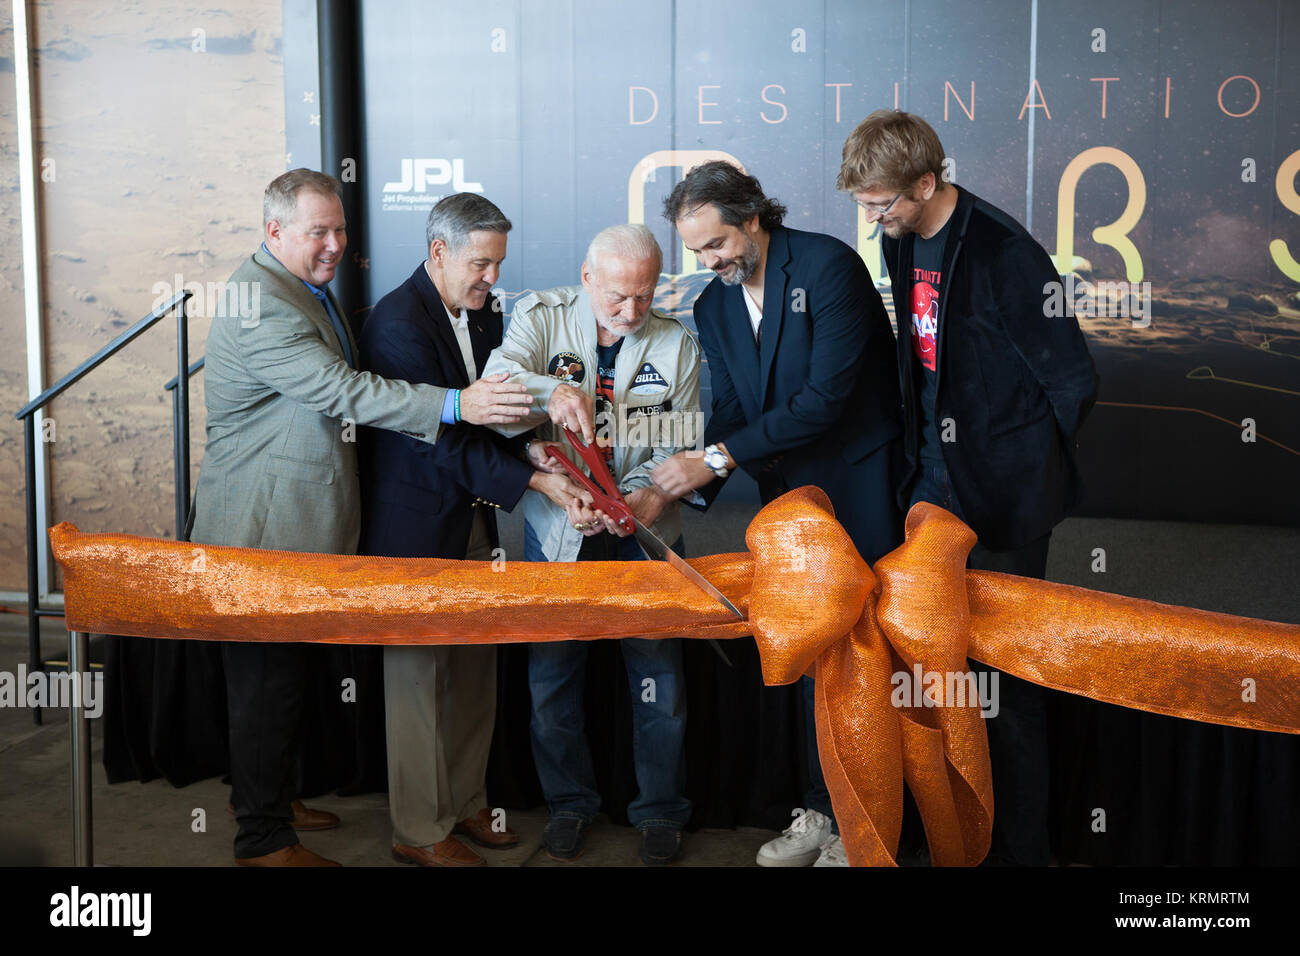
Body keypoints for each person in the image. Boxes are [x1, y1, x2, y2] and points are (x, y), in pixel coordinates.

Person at [189, 169, 533, 866]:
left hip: (303, 526)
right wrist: (455, 405)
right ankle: (261, 842)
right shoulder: (259, 300)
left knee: (285, 681)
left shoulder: (300, 290)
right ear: (274, 231)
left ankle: (269, 800)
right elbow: (336, 388)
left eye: (340, 228)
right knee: (264, 684)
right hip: (261, 527)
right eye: (319, 231)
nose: (335, 244)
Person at [837, 109, 1100, 865]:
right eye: (863, 204)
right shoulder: (903, 236)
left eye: (880, 201)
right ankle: (951, 835)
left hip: (1007, 500)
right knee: (935, 669)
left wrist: (1014, 463)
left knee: (1007, 684)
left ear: (928, 181)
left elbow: (1072, 381)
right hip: (929, 484)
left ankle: (1025, 849)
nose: (872, 218)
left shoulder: (1004, 251)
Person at [656, 160, 904, 868]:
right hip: (788, 507)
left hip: (859, 494)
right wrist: (687, 481)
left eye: (716, 245)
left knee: (863, 656)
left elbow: (826, 400)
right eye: (698, 251)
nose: (708, 262)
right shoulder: (713, 305)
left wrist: (716, 458)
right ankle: (822, 813)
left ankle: (871, 830)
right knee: (809, 655)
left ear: (753, 218)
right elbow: (734, 411)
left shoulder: (828, 268)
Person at [356, 193, 588, 867]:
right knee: (419, 681)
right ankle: (419, 831)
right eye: (481, 264)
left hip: (473, 519)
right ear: (439, 252)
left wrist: (532, 451)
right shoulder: (398, 323)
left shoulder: (483, 317)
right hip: (415, 526)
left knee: (472, 671)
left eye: (497, 264)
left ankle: (464, 805)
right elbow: (439, 440)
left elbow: (495, 414)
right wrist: (538, 483)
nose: (492, 278)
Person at [482, 224, 701, 866]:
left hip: (646, 533)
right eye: (616, 298)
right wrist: (552, 394)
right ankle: (569, 806)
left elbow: (679, 443)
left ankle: (660, 811)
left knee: (659, 679)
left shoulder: (676, 341)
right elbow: (497, 389)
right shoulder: (538, 317)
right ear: (586, 278)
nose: (632, 312)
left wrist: (639, 502)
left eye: (644, 295)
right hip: (559, 533)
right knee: (553, 680)